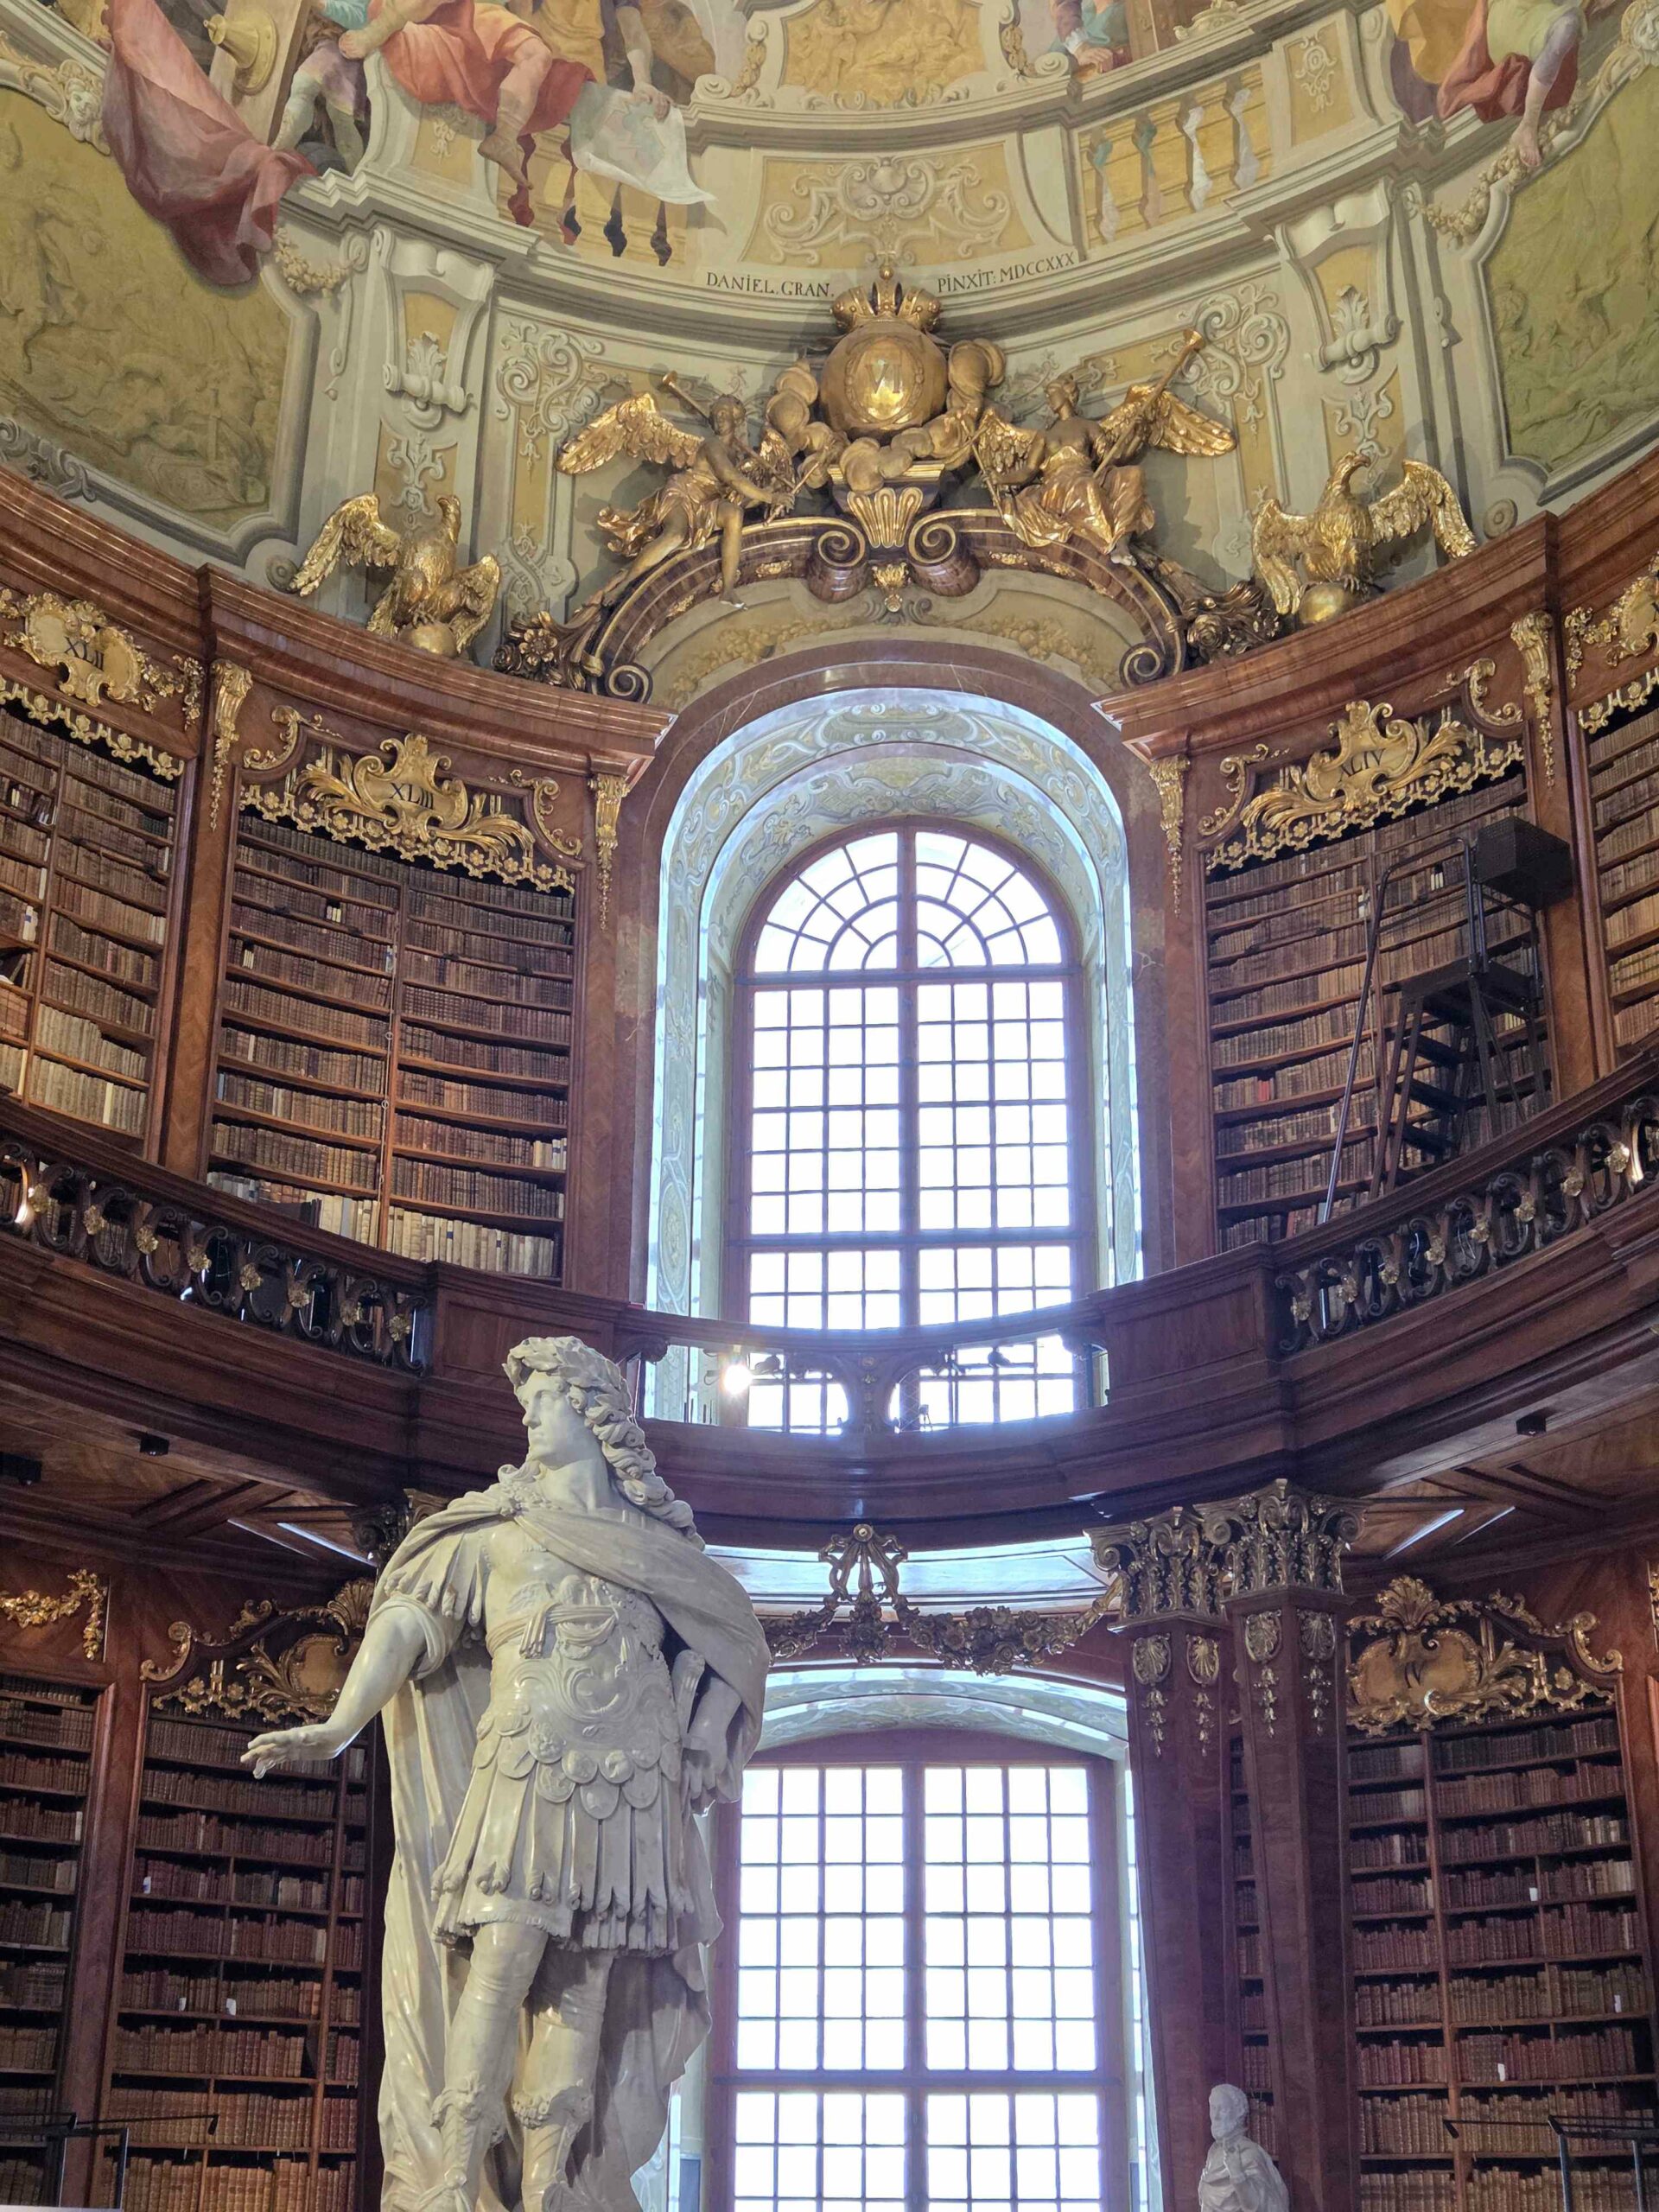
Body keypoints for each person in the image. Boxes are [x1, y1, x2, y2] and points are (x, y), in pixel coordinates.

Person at [243, 1335, 769, 2212]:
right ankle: (455, 2176)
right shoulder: (494, 1528)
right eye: (524, 1400)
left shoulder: (657, 1546)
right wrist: (343, 1723)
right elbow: (411, 1619)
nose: (527, 1414)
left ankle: (551, 2181)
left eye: (544, 1399)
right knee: (501, 1959)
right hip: (530, 1759)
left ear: (593, 1413)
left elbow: (732, 1647)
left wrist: (708, 1733)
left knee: (586, 1977)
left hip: (629, 1778)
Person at [1197, 2085, 1290, 2212]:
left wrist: (1237, 2173)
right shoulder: (1213, 2152)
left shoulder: (1249, 2154)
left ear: (1238, 2114)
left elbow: (1260, 2206)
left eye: (1223, 2110)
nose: (1216, 2116)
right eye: (1213, 2108)